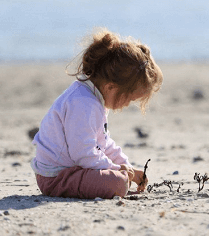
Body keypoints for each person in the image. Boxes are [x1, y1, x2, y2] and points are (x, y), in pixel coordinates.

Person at [30, 28, 163, 199]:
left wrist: (126, 165)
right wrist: (116, 169)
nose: (127, 104)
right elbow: (83, 153)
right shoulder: (84, 103)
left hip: (71, 169)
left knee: (120, 179)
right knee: (117, 184)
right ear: (111, 87)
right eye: (129, 99)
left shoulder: (93, 98)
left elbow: (104, 143)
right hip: (56, 177)